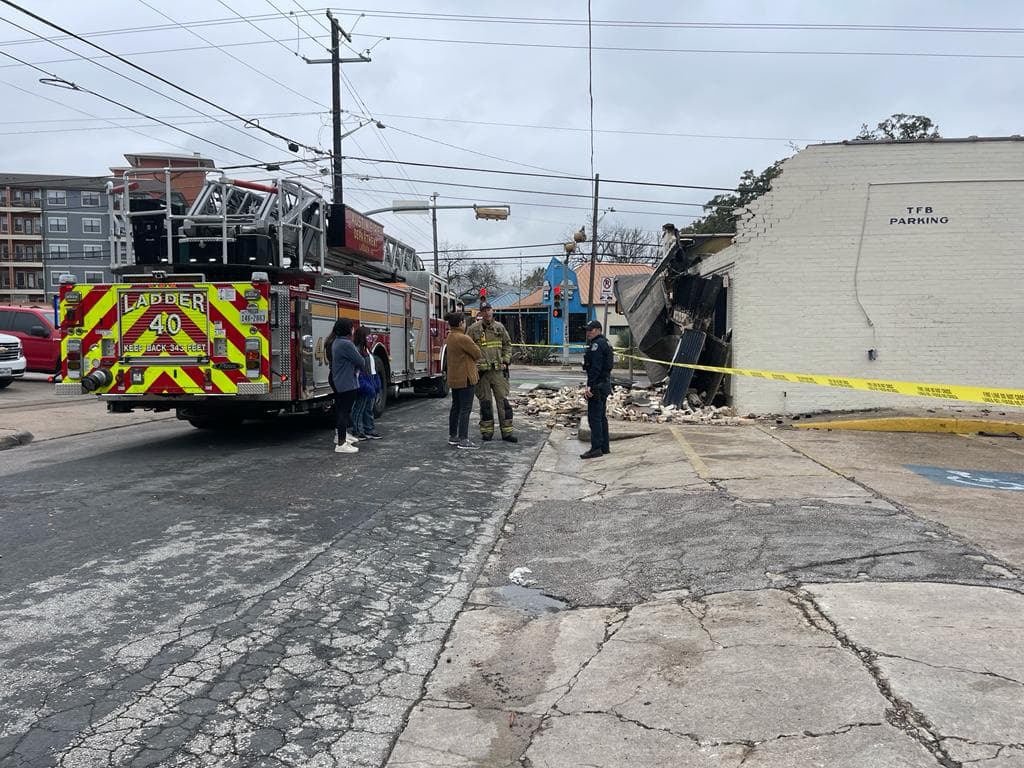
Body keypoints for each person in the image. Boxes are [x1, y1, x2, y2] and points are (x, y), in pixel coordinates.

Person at [466, 301, 518, 443]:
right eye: (484, 310)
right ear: (480, 313)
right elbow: (467, 349)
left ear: (492, 311)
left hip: (498, 372)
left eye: (489, 309)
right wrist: (474, 366)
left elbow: (507, 345)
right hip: (482, 374)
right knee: (485, 404)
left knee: (503, 403)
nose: (487, 312)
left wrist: (506, 360)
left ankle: (507, 432)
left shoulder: (499, 328)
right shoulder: (473, 329)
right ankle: (487, 432)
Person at [444, 311, 482, 450]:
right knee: (466, 409)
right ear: (460, 323)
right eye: (464, 321)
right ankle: (463, 439)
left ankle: (453, 436)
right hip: (466, 378)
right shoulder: (463, 338)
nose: (465, 324)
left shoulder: (450, 336)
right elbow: (477, 353)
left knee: (456, 407)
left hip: (455, 378)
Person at [330, 318, 366, 454]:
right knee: (344, 412)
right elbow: (361, 361)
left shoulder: (337, 342)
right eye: (351, 327)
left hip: (340, 381)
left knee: (341, 410)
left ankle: (341, 437)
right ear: (347, 329)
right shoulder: (346, 344)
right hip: (347, 383)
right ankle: (341, 443)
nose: (353, 329)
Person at [580, 319, 614, 459]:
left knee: (594, 417)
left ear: (598, 330)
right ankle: (604, 446)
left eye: (591, 330)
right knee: (601, 417)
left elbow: (596, 368)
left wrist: (590, 385)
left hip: (598, 385)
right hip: (604, 384)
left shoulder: (597, 345)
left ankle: (596, 448)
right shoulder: (605, 342)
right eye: (587, 330)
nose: (588, 332)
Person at [350, 326, 382, 440]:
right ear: (363, 336)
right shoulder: (358, 350)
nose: (371, 337)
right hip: (363, 382)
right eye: (368, 335)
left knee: (369, 408)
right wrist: (364, 383)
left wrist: (376, 382)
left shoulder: (367, 350)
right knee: (359, 408)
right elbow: (358, 369)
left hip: (371, 381)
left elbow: (373, 368)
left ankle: (369, 429)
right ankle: (357, 430)